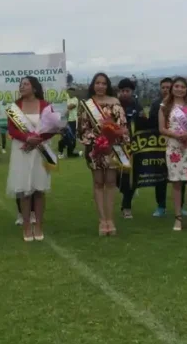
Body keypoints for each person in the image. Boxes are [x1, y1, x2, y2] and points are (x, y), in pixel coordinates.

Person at [5, 76, 58, 242]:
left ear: (34, 88)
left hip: (41, 150)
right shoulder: (14, 108)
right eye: (21, 84)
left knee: (39, 190)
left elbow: (53, 127)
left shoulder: (46, 106)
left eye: (26, 84)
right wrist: (27, 138)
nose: (22, 86)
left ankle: (39, 226)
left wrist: (39, 138)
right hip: (22, 150)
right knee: (25, 191)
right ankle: (26, 226)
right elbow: (12, 130)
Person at [78, 72, 128, 237]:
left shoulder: (115, 103)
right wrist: (98, 141)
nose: (100, 86)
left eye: (103, 83)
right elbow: (83, 129)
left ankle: (110, 219)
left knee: (111, 182)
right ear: (93, 85)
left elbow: (123, 126)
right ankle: (102, 220)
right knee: (98, 182)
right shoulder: (86, 105)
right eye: (97, 83)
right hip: (95, 149)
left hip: (113, 148)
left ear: (108, 86)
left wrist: (112, 140)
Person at [158, 77, 187, 232]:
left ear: (186, 89)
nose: (179, 89)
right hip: (174, 148)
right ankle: (177, 218)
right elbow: (162, 129)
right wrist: (177, 136)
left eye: (183, 87)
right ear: (172, 88)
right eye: (176, 86)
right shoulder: (164, 107)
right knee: (176, 183)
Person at [116, 78, 143, 219]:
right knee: (117, 178)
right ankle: (124, 192)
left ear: (132, 92)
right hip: (117, 147)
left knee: (131, 178)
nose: (125, 93)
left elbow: (143, 123)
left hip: (133, 147)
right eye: (122, 91)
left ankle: (126, 207)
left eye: (128, 91)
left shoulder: (137, 106)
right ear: (118, 92)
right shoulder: (114, 105)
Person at [147, 78, 174, 217]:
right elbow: (151, 125)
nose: (165, 89)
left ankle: (179, 207)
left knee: (179, 178)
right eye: (163, 87)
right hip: (160, 146)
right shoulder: (156, 104)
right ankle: (161, 206)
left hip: (177, 145)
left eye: (168, 87)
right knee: (160, 177)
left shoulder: (179, 103)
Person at [57, 87, 81, 159]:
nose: (71, 93)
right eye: (69, 92)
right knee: (63, 136)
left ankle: (70, 153)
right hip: (64, 121)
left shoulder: (75, 100)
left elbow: (70, 107)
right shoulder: (65, 97)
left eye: (72, 92)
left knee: (72, 138)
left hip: (72, 121)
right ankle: (61, 153)